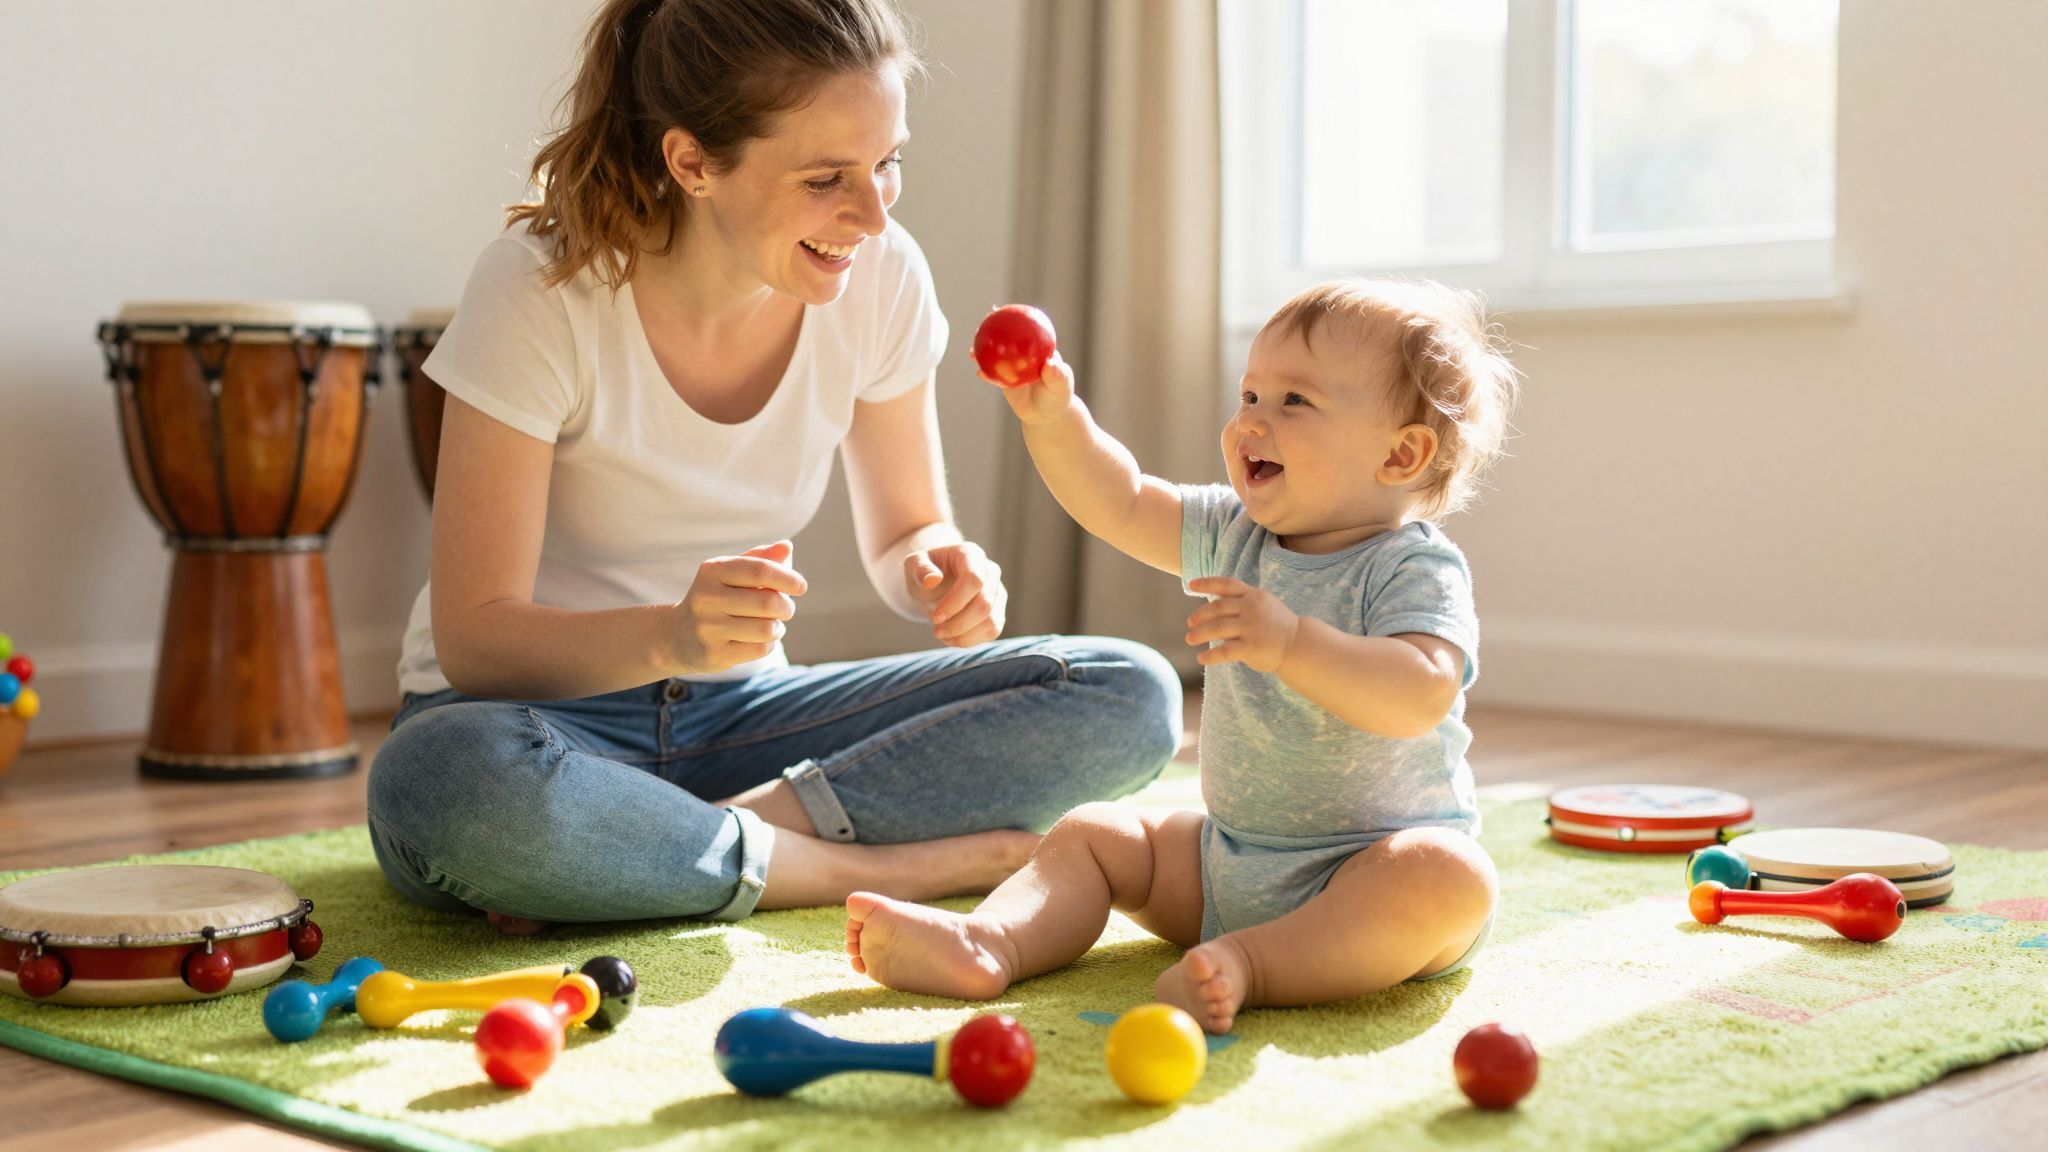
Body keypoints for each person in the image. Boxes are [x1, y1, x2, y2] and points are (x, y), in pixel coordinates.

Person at [366, 0, 1182, 934]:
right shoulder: (541, 288)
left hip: (747, 721)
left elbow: (908, 527)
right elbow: (475, 637)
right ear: (693, 163)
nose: (872, 215)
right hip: (533, 722)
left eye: (888, 163)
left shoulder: (882, 276)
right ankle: (861, 867)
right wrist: (671, 637)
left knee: (1127, 693)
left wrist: (937, 566)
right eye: (826, 178)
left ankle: (661, 850)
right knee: (442, 782)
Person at [845, 279, 1520, 1032]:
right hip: (1226, 864)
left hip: (1367, 877)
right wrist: (1054, 419)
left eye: (1294, 401)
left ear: (1400, 454)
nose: (1252, 422)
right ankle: (991, 940)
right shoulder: (1234, 532)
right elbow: (1123, 500)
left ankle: (1253, 965)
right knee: (1095, 835)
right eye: (1250, 396)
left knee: (1450, 877)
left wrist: (1292, 643)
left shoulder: (1412, 567)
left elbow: (1421, 693)